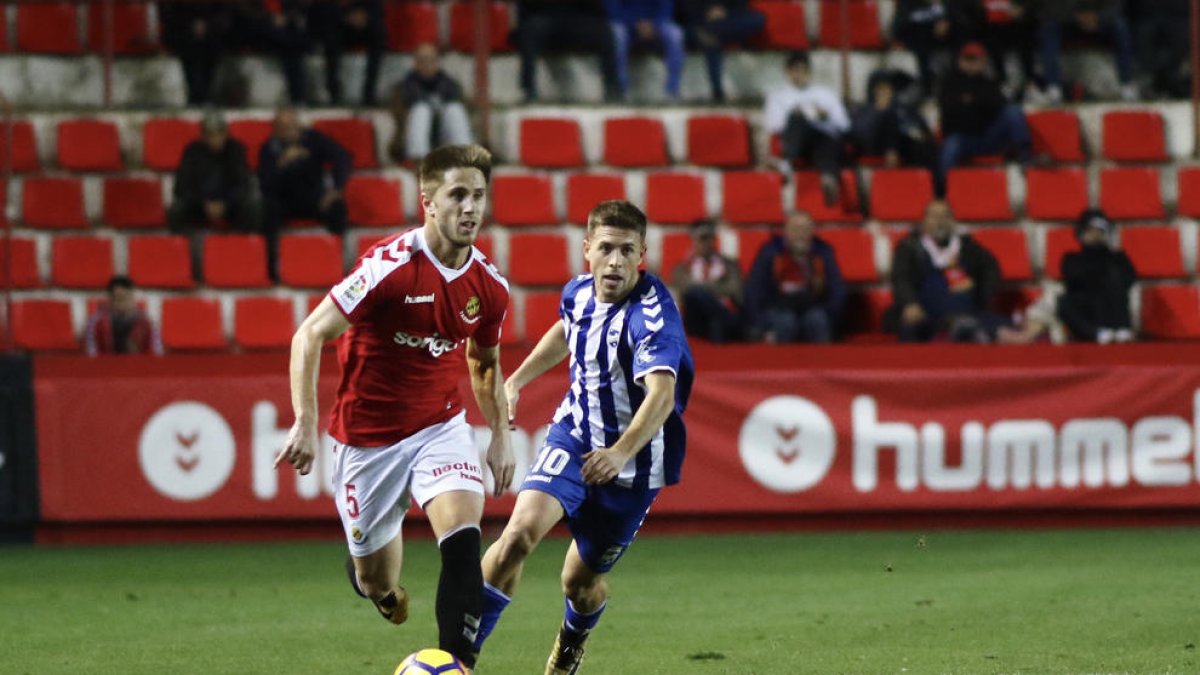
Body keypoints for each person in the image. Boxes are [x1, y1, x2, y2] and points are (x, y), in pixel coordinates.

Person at [274, 144, 515, 671]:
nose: (470, 207)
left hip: (439, 425)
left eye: (478, 195)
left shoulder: (489, 287)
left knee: (462, 533)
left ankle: (458, 662)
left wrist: (499, 431)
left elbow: (484, 362)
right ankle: (373, 586)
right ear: (427, 201)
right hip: (368, 439)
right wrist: (306, 421)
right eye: (457, 195)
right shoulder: (387, 267)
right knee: (376, 579)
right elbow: (310, 334)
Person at [472, 200, 694, 674]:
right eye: (606, 248)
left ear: (642, 256)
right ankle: (461, 654)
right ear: (587, 249)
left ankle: (572, 641)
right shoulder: (577, 291)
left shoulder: (652, 317)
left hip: (632, 465)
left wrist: (619, 452)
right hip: (573, 438)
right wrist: (518, 378)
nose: (615, 261)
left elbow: (662, 393)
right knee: (517, 536)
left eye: (626, 251)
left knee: (579, 581)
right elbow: (568, 330)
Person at [886, 200, 1003, 343]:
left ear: (952, 220)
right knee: (910, 324)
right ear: (924, 221)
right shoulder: (909, 248)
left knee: (993, 325)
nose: (939, 222)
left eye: (944, 216)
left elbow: (991, 269)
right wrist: (909, 302)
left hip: (964, 310)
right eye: (934, 217)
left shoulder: (967, 247)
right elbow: (900, 278)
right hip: (923, 311)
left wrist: (980, 297)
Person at [258, 107, 351, 281]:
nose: (291, 132)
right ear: (276, 130)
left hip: (315, 200)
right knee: (267, 211)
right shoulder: (269, 149)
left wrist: (336, 190)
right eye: (285, 128)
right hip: (284, 201)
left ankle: (340, 266)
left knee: (338, 208)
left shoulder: (313, 140)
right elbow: (265, 184)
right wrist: (282, 164)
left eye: (294, 127)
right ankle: (271, 271)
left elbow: (342, 157)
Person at [168, 111, 259, 275]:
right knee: (175, 210)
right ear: (203, 136)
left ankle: (237, 249)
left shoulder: (236, 150)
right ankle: (181, 256)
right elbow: (181, 188)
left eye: (219, 134)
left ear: (226, 134)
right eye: (211, 135)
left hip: (230, 206)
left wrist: (225, 204)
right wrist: (204, 205)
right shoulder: (192, 152)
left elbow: (243, 186)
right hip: (199, 206)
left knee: (253, 206)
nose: (215, 139)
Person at [937, 41, 1033, 193]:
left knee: (1013, 111)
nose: (971, 64)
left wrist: (970, 102)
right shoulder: (949, 83)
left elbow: (999, 105)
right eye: (967, 59)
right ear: (960, 60)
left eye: (975, 60)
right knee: (950, 146)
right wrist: (977, 103)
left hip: (989, 135)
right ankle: (943, 194)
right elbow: (951, 110)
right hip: (963, 138)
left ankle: (1025, 156)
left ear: (983, 62)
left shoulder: (989, 82)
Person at [744, 211, 847, 344]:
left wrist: (830, 315)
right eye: (795, 229)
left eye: (805, 229)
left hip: (811, 306)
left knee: (818, 320)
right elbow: (754, 290)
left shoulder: (823, 252)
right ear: (785, 231)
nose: (800, 234)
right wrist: (761, 323)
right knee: (786, 322)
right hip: (778, 307)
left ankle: (822, 363)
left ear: (812, 232)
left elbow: (837, 289)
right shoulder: (770, 252)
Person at [763, 51, 850, 203]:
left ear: (809, 71)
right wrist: (806, 113)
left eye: (802, 69)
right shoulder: (777, 96)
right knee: (797, 117)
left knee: (827, 138)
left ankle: (828, 179)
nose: (799, 74)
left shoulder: (825, 93)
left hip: (821, 139)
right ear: (788, 72)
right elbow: (774, 125)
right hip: (794, 139)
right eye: (794, 69)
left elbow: (844, 124)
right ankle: (787, 162)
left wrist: (823, 116)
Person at [1025, 0, 1137, 102]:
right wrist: (1077, 16)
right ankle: (1053, 88)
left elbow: (1116, 5)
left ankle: (1126, 85)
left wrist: (1098, 17)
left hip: (1099, 20)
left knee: (1120, 27)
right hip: (1068, 19)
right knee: (1049, 28)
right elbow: (1051, 6)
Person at [513, 0, 621, 102]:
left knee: (605, 33)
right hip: (543, 16)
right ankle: (528, 90)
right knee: (530, 31)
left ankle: (612, 89)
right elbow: (527, 7)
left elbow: (597, 9)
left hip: (576, 18)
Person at [1056, 209, 1136, 343]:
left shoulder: (1116, 258)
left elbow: (1128, 279)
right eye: (1090, 230)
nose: (1095, 234)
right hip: (1086, 312)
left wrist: (1107, 250)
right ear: (1081, 233)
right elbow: (1074, 278)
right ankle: (1095, 333)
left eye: (1099, 231)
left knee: (1112, 278)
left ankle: (1121, 330)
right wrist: (1093, 254)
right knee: (1064, 302)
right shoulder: (1072, 258)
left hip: (1111, 311)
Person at [393, 43, 473, 162]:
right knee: (421, 110)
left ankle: (464, 158)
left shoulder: (451, 84)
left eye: (431, 60)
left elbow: (466, 109)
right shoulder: (404, 87)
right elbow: (399, 116)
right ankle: (418, 160)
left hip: (445, 136)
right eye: (423, 60)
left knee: (454, 109)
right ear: (415, 63)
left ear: (438, 62)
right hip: (413, 138)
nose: (427, 65)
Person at [670, 218, 743, 343]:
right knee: (697, 296)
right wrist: (717, 287)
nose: (707, 243)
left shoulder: (730, 265)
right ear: (693, 240)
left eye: (711, 238)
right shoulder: (682, 269)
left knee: (717, 319)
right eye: (703, 238)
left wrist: (703, 288)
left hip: (725, 318)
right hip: (697, 321)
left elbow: (736, 290)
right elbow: (686, 290)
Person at [678, 0, 766, 102]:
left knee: (758, 19)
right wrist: (707, 13)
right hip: (696, 25)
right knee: (710, 40)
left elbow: (742, 7)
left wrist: (724, 12)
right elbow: (682, 12)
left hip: (725, 22)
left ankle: (716, 34)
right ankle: (718, 92)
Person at [891, 0, 983, 97]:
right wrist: (928, 29)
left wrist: (948, 23)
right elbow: (898, 30)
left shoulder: (951, 4)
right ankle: (927, 90)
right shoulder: (908, 4)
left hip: (950, 48)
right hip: (920, 50)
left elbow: (970, 23)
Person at [851, 71, 937, 170]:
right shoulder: (865, 111)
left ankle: (930, 180)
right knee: (889, 117)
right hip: (874, 146)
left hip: (903, 146)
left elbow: (918, 126)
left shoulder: (902, 109)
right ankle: (892, 150)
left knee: (925, 145)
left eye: (887, 89)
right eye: (880, 89)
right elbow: (858, 132)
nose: (884, 93)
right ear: (874, 91)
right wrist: (879, 113)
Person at [307, 0, 386, 106]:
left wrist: (365, 16)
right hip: (340, 26)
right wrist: (346, 16)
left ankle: (369, 93)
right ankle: (333, 93)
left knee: (378, 35)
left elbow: (377, 8)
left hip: (366, 26)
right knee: (331, 41)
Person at [606, 0, 686, 99]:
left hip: (656, 24)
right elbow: (613, 11)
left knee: (676, 34)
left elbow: (666, 9)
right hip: (625, 24)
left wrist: (653, 24)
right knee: (617, 33)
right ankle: (621, 89)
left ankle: (672, 90)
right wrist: (636, 24)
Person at [159, 2, 229, 105]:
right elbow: (168, 14)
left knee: (212, 48)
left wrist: (207, 26)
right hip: (183, 34)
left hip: (213, 34)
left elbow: (225, 15)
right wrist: (190, 25)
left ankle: (206, 94)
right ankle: (196, 94)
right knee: (190, 50)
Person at [84, 276, 162, 356]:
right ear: (110, 299)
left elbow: (157, 351)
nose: (125, 303)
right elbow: (91, 352)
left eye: (128, 298)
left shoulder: (146, 321)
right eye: (119, 298)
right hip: (105, 365)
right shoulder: (96, 321)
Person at [1131, 0, 1190, 99]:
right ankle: (1150, 81)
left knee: (1180, 39)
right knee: (1144, 36)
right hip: (1148, 14)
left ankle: (1173, 82)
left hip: (1178, 15)